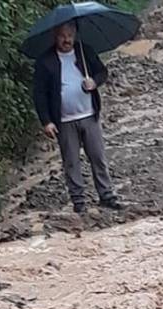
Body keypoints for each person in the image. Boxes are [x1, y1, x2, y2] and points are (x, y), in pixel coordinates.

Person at [32, 21, 122, 214]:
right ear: (55, 37)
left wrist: (94, 82)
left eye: (70, 36)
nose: (67, 40)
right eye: (62, 36)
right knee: (71, 162)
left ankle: (107, 196)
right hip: (63, 121)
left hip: (89, 114)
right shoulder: (45, 61)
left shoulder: (84, 51)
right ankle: (79, 202)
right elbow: (39, 94)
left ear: (75, 35)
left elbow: (102, 72)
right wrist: (46, 121)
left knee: (98, 157)